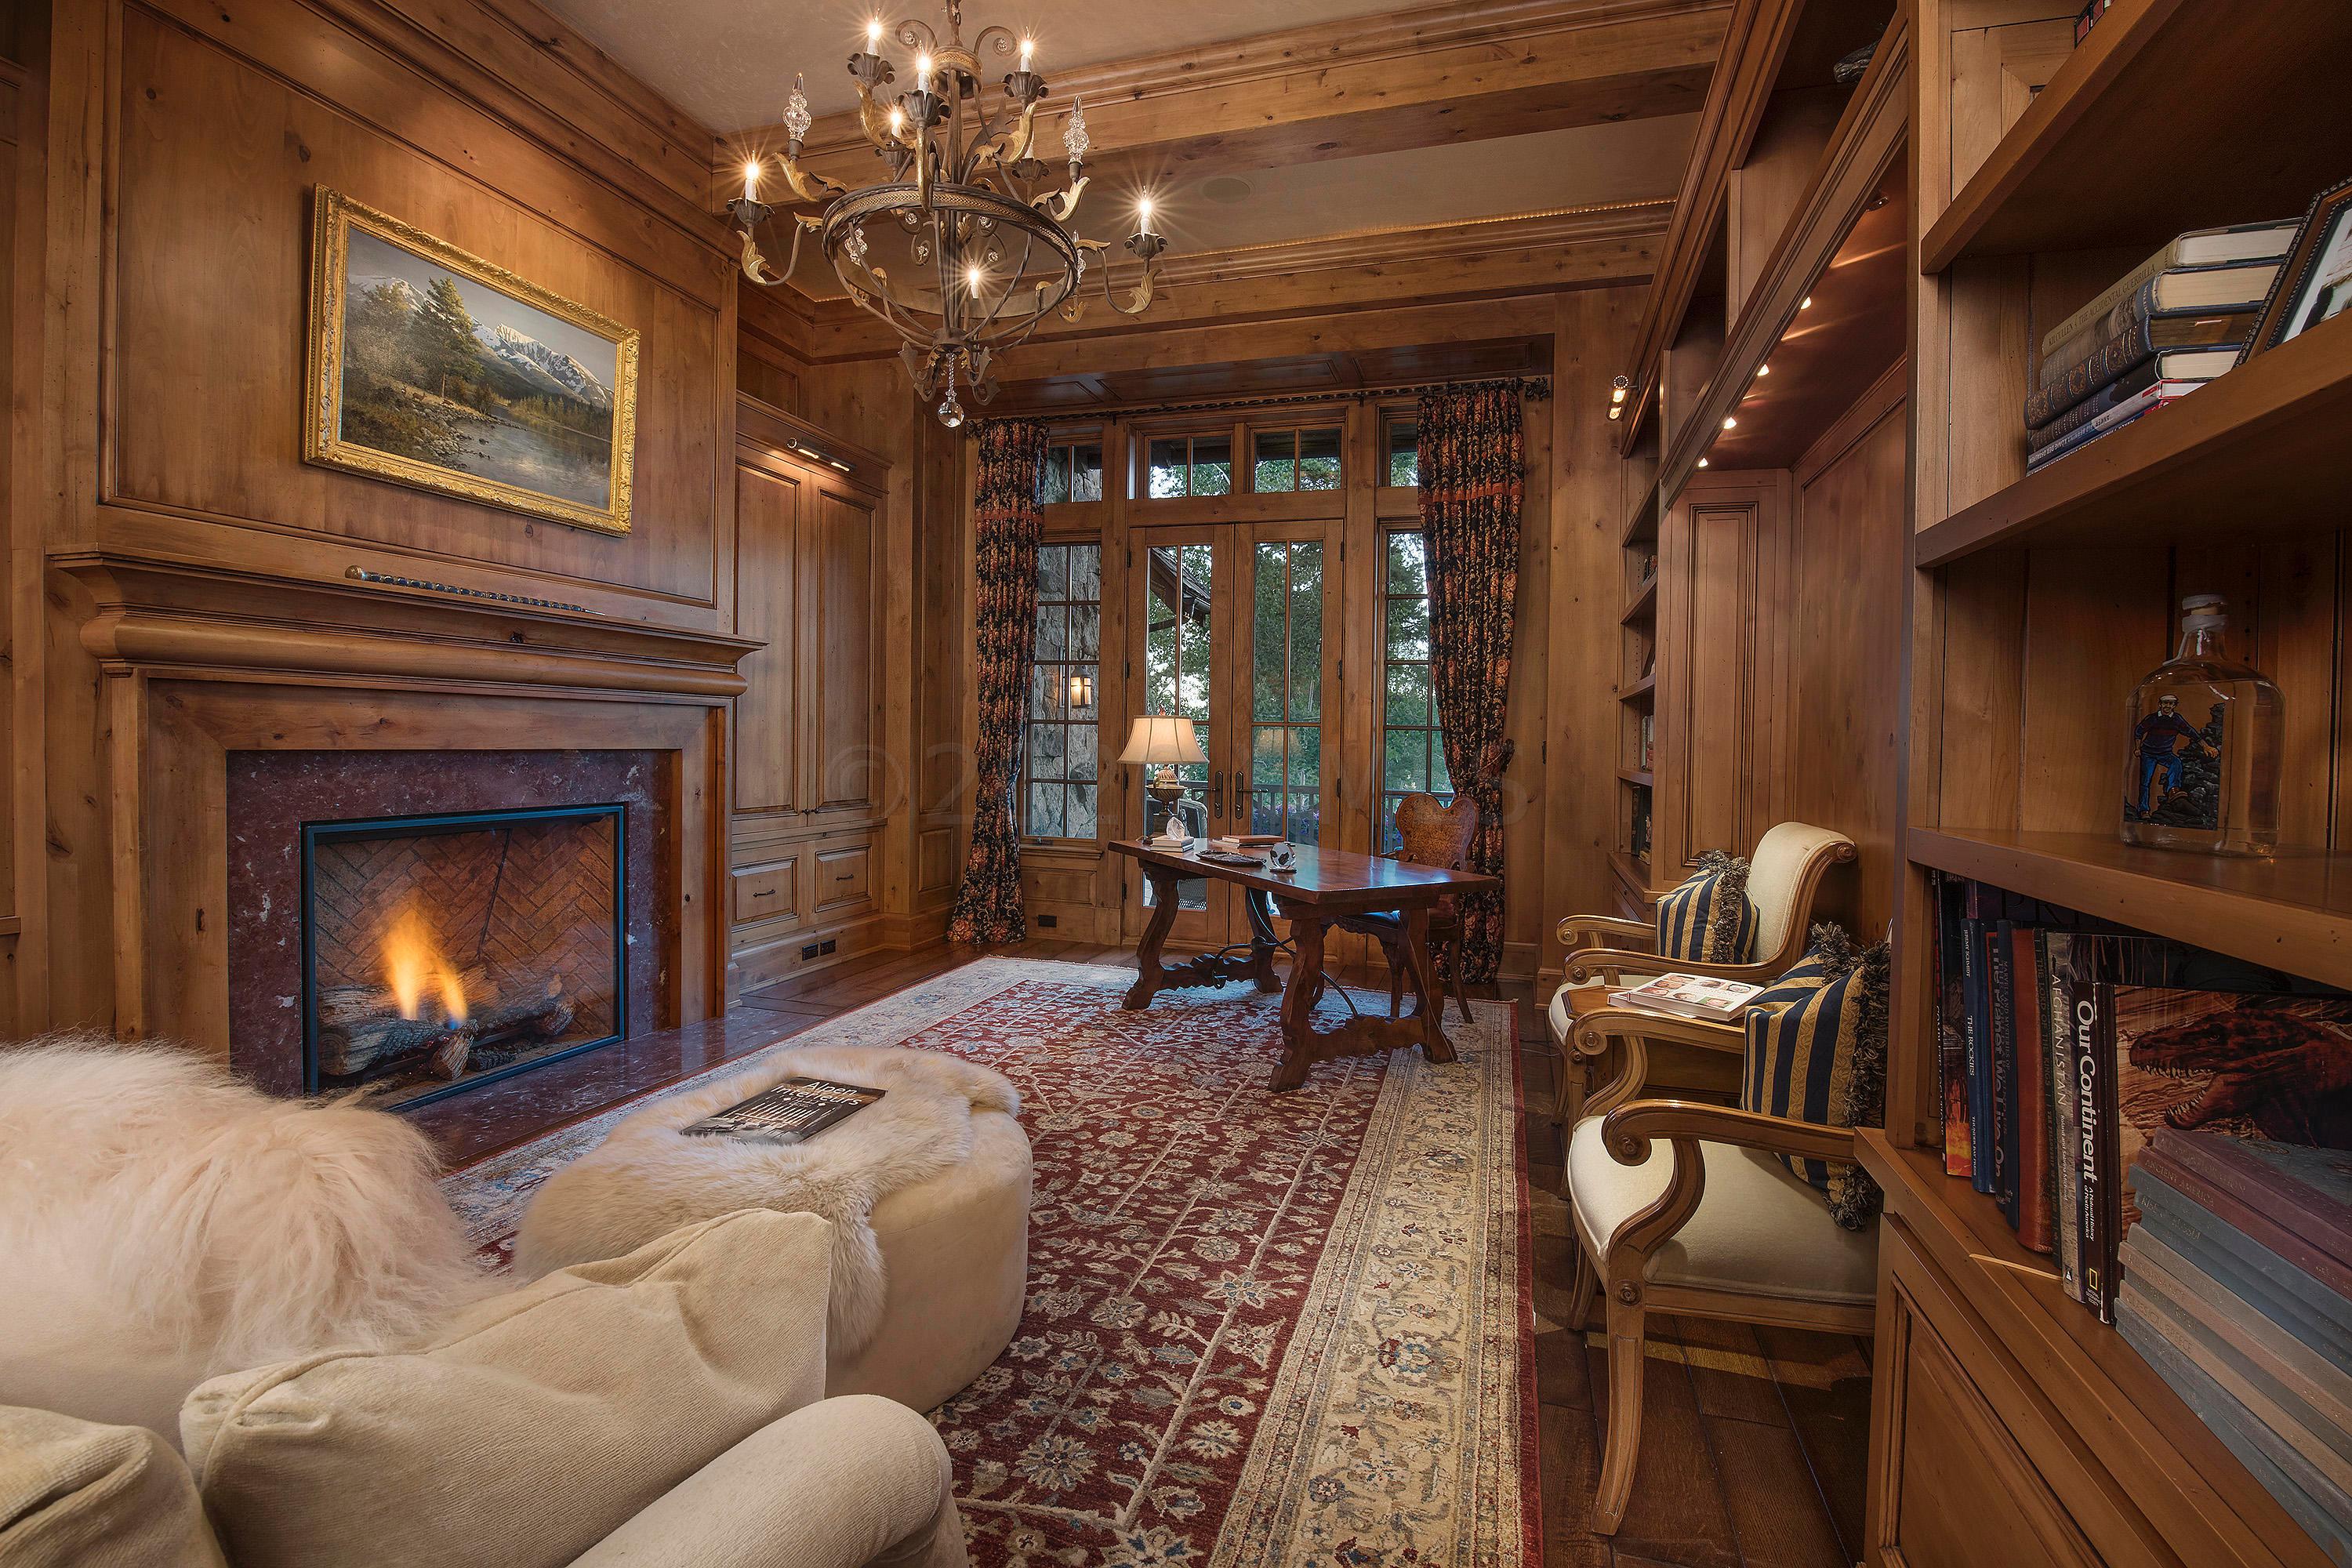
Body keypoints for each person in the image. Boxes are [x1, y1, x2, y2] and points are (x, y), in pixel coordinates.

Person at [2132, 693, 2203, 814]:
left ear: (2174, 706)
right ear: (2160, 705)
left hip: (2165, 753)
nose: (2168, 706)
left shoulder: (2177, 720)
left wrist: (2205, 746)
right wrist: (2137, 748)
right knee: (2146, 781)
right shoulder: (2153, 718)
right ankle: (2144, 810)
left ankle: (2173, 790)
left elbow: (2190, 732)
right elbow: (2139, 731)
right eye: (2165, 703)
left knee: (2176, 763)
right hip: (2148, 753)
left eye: (2171, 704)